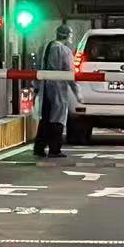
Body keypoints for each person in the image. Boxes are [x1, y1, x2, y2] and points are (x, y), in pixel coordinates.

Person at [33, 22, 78, 158]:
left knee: (45, 118)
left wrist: (36, 86)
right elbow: (69, 74)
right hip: (58, 89)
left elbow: (37, 68)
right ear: (68, 36)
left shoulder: (45, 47)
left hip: (45, 87)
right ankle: (55, 149)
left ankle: (39, 148)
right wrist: (77, 92)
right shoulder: (65, 51)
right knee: (57, 119)